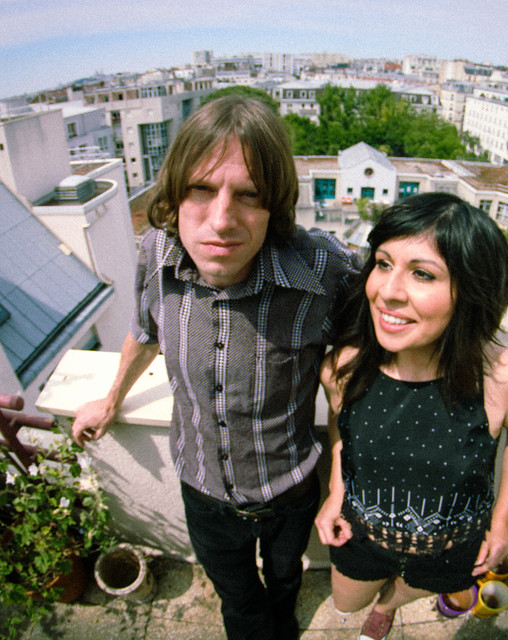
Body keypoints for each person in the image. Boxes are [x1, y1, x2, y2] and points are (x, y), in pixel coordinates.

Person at [72, 95, 360, 640]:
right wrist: (111, 400)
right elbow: (145, 330)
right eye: (201, 189)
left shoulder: (322, 269)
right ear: (174, 194)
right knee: (237, 596)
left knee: (285, 580)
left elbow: (365, 368)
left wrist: (341, 485)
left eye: (249, 195)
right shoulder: (156, 253)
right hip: (201, 488)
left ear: (274, 206)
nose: (222, 220)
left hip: (290, 489)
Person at [314, 192, 508, 640]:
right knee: (346, 602)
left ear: (471, 291)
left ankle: (389, 605)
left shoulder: (503, 378)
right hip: (361, 537)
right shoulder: (344, 367)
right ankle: (378, 600)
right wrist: (336, 491)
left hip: (452, 547)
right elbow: (342, 428)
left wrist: (501, 522)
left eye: (422, 273)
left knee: (414, 588)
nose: (388, 292)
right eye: (383, 264)